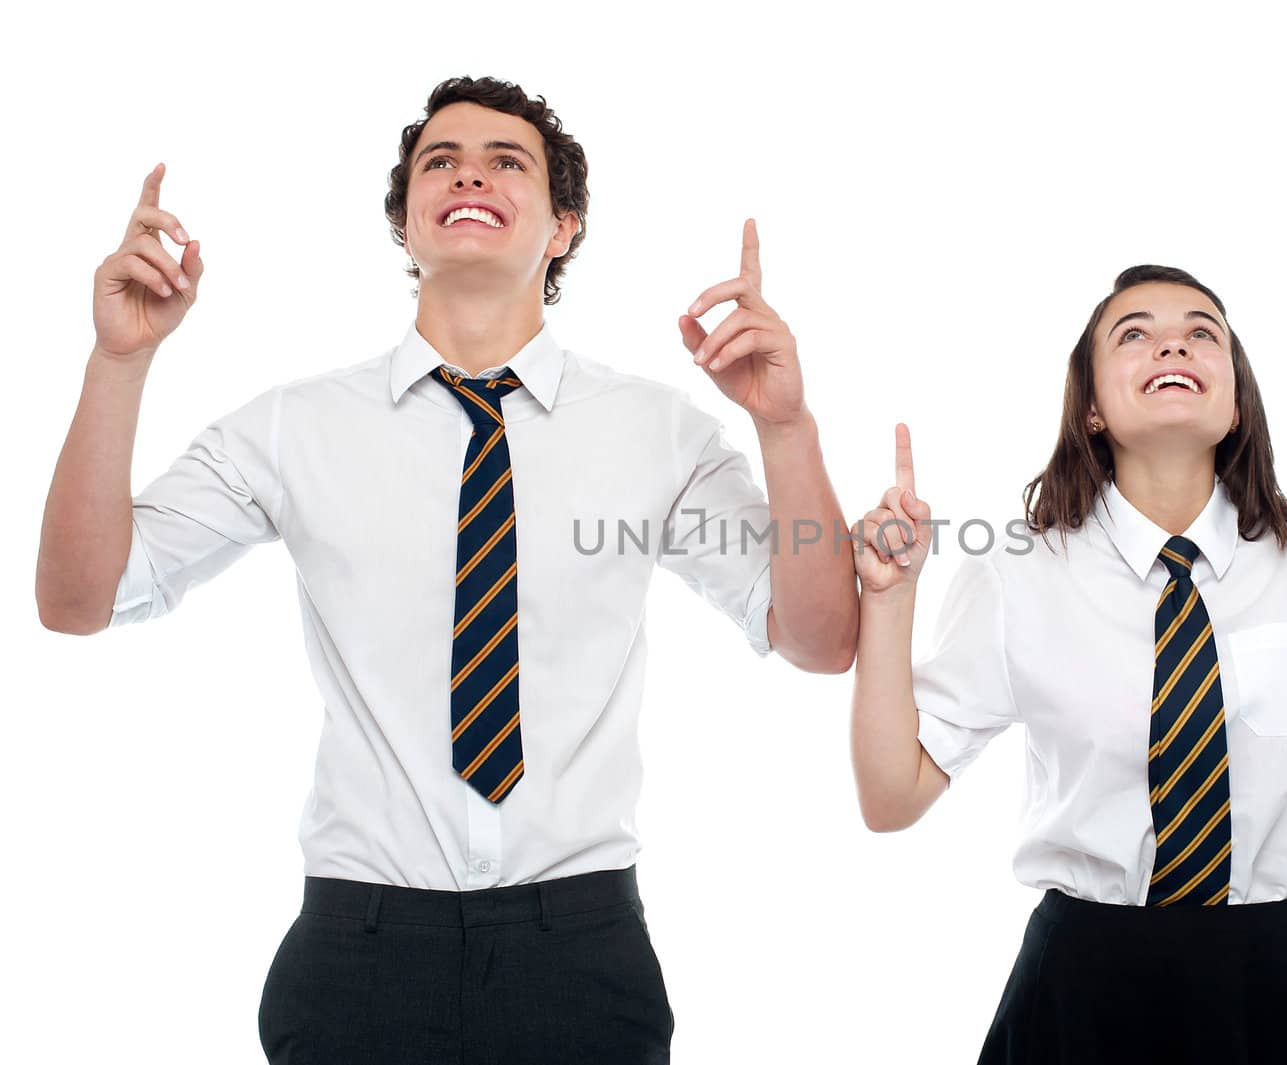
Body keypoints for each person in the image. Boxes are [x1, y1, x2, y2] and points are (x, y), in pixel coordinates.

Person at [35, 75, 858, 1064]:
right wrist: (118, 362)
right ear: (406, 223)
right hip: (358, 954)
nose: (470, 169)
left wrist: (783, 427)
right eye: (441, 160)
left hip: (582, 955)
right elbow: (78, 600)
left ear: (562, 228)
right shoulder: (296, 426)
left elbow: (819, 638)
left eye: (507, 160)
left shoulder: (655, 433)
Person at [848, 264, 1287, 1064]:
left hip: (1280, 991)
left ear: (1232, 403)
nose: (1172, 344)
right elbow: (890, 795)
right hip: (1081, 993)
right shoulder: (1018, 573)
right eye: (1135, 333)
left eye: (1200, 332)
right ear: (1089, 405)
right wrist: (889, 599)